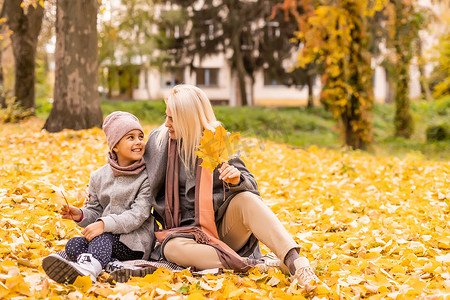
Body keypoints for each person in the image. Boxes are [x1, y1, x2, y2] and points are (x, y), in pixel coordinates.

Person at [143, 84, 322, 291]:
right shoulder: (159, 142)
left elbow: (251, 184)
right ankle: (258, 266)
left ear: (189, 120)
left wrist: (237, 180)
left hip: (219, 230)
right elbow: (135, 173)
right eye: (166, 116)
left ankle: (296, 263)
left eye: (172, 119)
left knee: (246, 199)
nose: (167, 124)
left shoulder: (216, 140)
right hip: (182, 235)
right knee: (171, 249)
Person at [42, 111, 154, 284]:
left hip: (134, 242)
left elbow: (137, 215)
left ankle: (88, 272)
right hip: (105, 238)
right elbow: (96, 211)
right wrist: (80, 214)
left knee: (101, 239)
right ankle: (112, 265)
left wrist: (104, 224)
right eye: (130, 138)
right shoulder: (99, 176)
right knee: (74, 245)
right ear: (115, 146)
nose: (139, 142)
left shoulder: (145, 177)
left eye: (140, 136)